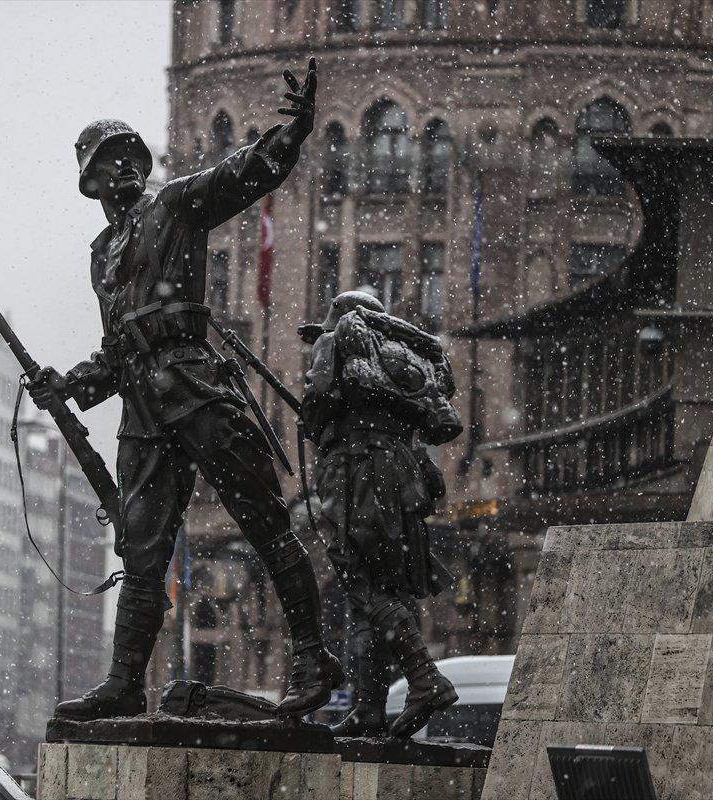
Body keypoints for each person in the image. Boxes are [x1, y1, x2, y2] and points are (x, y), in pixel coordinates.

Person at [29, 58, 341, 722]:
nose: (124, 166)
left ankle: (313, 656)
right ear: (90, 181)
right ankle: (125, 682)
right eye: (109, 160)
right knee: (142, 551)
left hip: (194, 385)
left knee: (264, 522)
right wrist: (71, 383)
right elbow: (117, 350)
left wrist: (290, 135)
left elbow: (241, 174)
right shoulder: (100, 255)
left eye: (131, 155)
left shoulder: (174, 204)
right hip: (143, 407)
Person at [299, 291, 463, 738]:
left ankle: (425, 678)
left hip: (356, 473)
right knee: (385, 590)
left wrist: (314, 416)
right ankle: (369, 708)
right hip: (400, 479)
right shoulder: (398, 364)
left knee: (361, 585)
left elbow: (317, 402)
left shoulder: (336, 341)